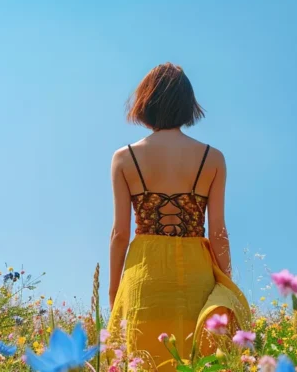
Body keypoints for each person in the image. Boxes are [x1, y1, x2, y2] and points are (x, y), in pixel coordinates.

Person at [107, 63, 250, 371]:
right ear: (188, 104)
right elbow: (218, 232)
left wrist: (113, 289)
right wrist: (227, 284)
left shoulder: (123, 158)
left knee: (141, 361)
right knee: (197, 361)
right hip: (195, 275)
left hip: (143, 276)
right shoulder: (213, 158)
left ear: (145, 101)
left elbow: (119, 234)